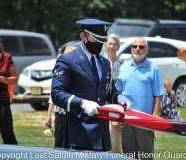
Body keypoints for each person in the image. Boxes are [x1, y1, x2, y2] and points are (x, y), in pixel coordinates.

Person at [51, 18, 131, 151]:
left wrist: (117, 97)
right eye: (96, 39)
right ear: (83, 36)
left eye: (102, 40)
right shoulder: (67, 60)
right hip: (78, 131)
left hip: (101, 133)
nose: (100, 43)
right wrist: (82, 103)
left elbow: (107, 91)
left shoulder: (105, 62)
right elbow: (57, 93)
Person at [116, 37, 165, 160]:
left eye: (141, 47)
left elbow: (158, 96)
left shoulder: (153, 68)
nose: (137, 49)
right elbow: (118, 93)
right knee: (128, 155)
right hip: (126, 118)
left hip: (145, 120)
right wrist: (116, 117)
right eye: (134, 46)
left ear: (147, 50)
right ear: (131, 48)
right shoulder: (123, 67)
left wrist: (154, 120)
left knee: (146, 156)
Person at [45, 45, 77, 148]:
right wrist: (49, 114)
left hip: (75, 113)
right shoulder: (59, 72)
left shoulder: (79, 73)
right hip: (60, 113)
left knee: (75, 143)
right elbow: (53, 94)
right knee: (59, 142)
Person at [0, 30, 18, 144]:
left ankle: (14, 155)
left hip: (1, 100)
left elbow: (15, 79)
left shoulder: (6, 57)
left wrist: (1, 78)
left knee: (7, 133)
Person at [104, 33, 124, 153]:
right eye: (109, 43)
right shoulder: (101, 61)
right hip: (103, 101)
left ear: (118, 47)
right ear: (105, 46)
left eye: (114, 44)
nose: (112, 46)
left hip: (117, 102)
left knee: (116, 133)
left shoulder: (123, 64)